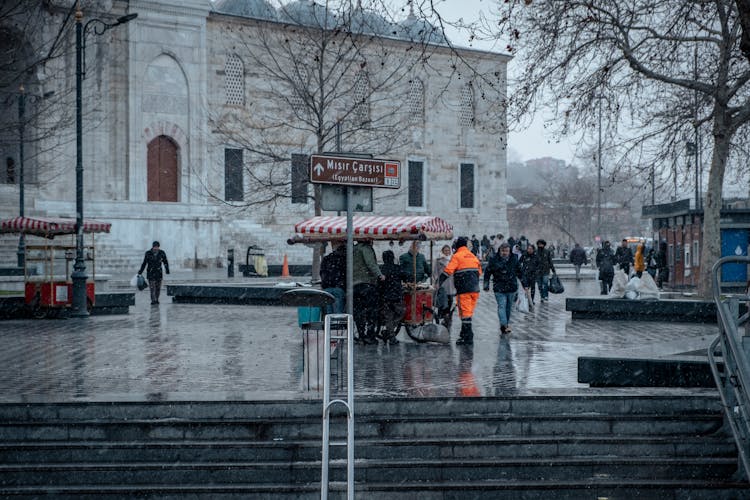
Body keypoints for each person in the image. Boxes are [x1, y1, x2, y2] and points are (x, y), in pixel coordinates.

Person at [438, 237, 482, 345]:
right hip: (475, 290)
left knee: (465, 314)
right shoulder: (473, 256)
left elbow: (448, 271)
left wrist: (439, 282)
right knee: (468, 313)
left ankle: (468, 338)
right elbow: (479, 272)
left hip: (464, 290)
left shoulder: (457, 256)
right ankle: (463, 335)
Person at [484, 242, 523, 335]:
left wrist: (525, 284)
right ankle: (504, 325)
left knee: (508, 307)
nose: (504, 253)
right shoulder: (494, 259)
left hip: (511, 287)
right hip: (499, 287)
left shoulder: (514, 259)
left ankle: (505, 324)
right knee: (502, 305)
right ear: (499, 250)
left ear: (509, 251)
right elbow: (487, 272)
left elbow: (519, 272)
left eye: (506, 251)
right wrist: (486, 285)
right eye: (503, 251)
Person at [352, 238, 384, 344]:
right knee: (372, 311)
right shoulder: (366, 249)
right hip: (366, 284)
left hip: (354, 285)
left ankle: (361, 336)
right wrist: (380, 275)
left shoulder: (353, 249)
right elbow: (370, 264)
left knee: (359, 312)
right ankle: (370, 336)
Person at [378, 250, 404, 345]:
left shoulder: (381, 269)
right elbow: (405, 276)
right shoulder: (397, 268)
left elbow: (379, 283)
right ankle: (391, 335)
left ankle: (389, 333)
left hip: (385, 296)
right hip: (396, 295)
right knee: (400, 313)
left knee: (388, 316)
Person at [432, 244, 456, 330]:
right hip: (442, 284)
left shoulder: (453, 260)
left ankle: (447, 317)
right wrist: (435, 281)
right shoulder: (438, 260)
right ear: (442, 251)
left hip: (451, 283)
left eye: (448, 250)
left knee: (450, 301)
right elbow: (434, 272)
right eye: (445, 250)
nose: (447, 252)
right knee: (443, 302)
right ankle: (443, 318)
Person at [320, 241, 346, 314]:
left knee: (328, 313)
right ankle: (337, 324)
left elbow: (322, 273)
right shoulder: (345, 259)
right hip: (339, 288)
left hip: (327, 288)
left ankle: (329, 324)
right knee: (338, 312)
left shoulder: (327, 258)